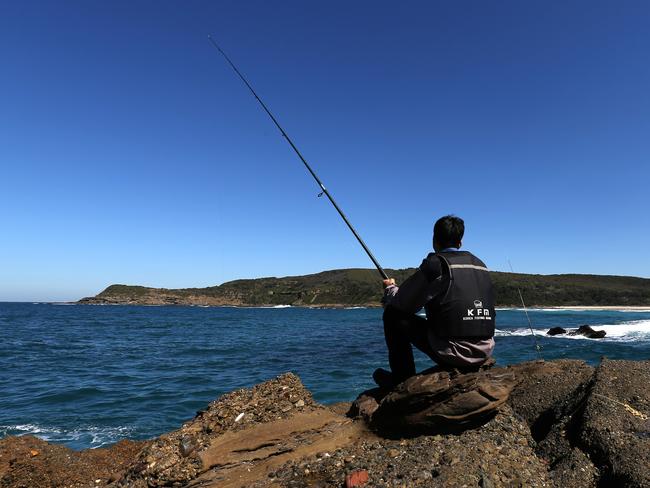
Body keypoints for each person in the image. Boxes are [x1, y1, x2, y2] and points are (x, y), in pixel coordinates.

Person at [374, 215, 496, 388]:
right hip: (485, 350)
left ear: (434, 240)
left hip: (454, 352)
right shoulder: (481, 265)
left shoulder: (436, 265)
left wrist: (390, 288)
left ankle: (401, 382)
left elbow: (403, 303)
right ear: (460, 242)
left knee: (392, 315)